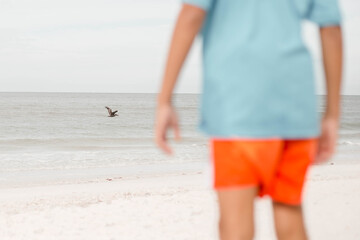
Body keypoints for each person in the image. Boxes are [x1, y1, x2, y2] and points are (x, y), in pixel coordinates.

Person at [155, 0, 343, 239]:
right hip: (295, 105)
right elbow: (332, 29)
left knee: (235, 227)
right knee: (290, 217)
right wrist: (332, 115)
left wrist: (164, 100)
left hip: (237, 106)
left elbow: (191, 13)